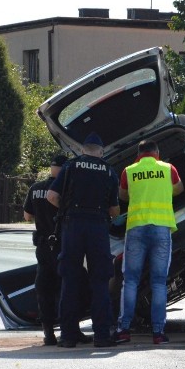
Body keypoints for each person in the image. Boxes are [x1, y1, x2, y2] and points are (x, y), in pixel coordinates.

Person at [46, 132, 120, 348]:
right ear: (101, 152)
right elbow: (115, 210)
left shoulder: (70, 166)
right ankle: (102, 336)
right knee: (100, 281)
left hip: (72, 226)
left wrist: (67, 210)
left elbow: (52, 196)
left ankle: (68, 336)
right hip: (97, 227)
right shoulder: (108, 171)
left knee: (70, 280)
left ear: (82, 150)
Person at [113, 140, 184, 345]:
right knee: (159, 282)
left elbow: (122, 195)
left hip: (136, 228)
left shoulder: (129, 171)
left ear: (138, 154)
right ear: (157, 152)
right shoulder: (168, 169)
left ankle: (124, 329)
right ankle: (158, 333)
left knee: (131, 280)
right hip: (161, 228)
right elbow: (179, 189)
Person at [23, 154, 91, 346]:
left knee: (44, 288)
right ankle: (72, 330)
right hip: (64, 244)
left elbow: (27, 216)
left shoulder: (35, 188)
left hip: (43, 247)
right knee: (70, 287)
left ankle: (48, 334)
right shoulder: (66, 188)